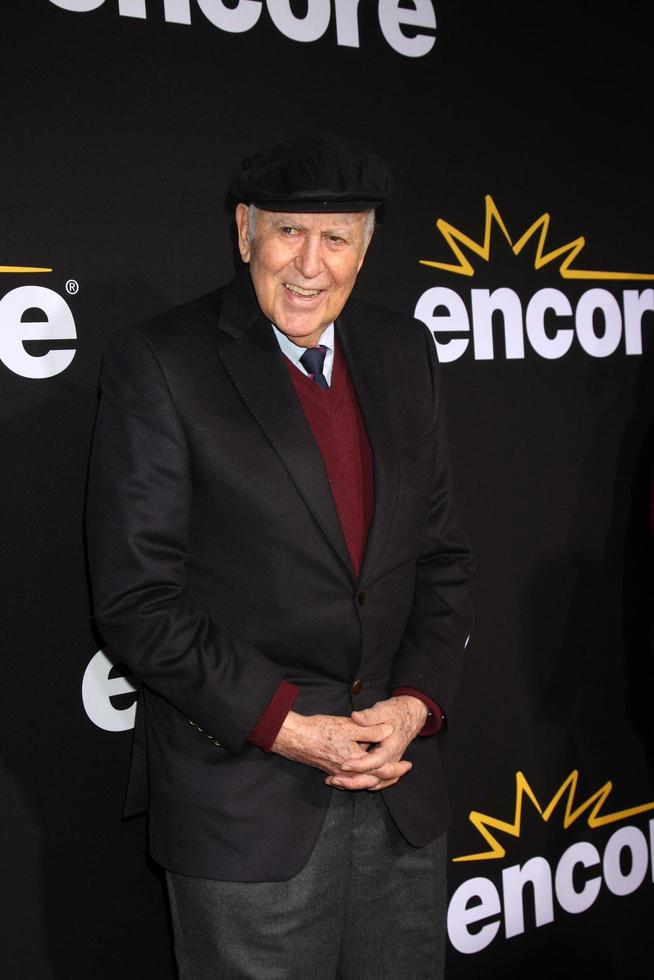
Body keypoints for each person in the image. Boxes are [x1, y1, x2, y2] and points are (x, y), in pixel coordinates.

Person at [86, 134, 475, 980]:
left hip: (400, 793)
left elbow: (440, 560)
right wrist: (289, 728)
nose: (309, 264)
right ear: (243, 232)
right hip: (245, 798)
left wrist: (414, 706)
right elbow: (138, 602)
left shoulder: (406, 354)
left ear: (365, 249)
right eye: (287, 233)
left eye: (336, 238)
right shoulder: (163, 363)